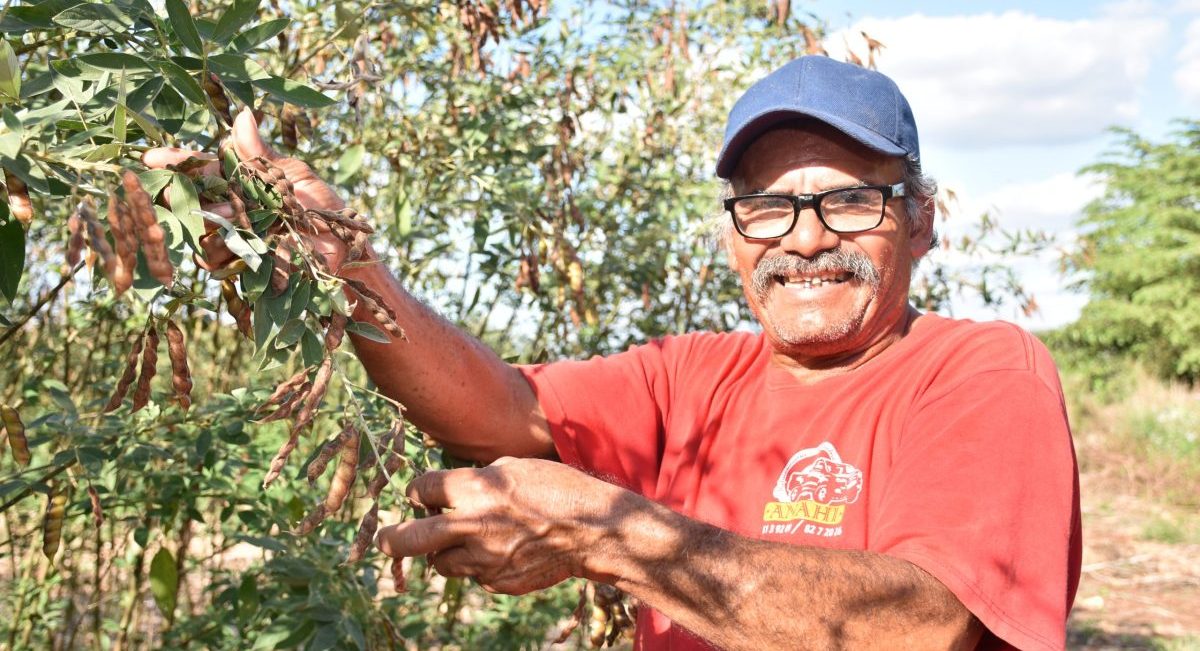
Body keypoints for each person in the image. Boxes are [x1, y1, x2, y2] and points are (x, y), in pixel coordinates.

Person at [147, 55, 1081, 650]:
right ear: (731, 235)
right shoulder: (690, 376)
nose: (803, 239)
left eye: (848, 200)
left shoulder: (983, 373)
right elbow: (495, 406)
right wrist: (351, 274)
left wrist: (609, 533)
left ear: (919, 223)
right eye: (767, 204)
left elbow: (927, 624)